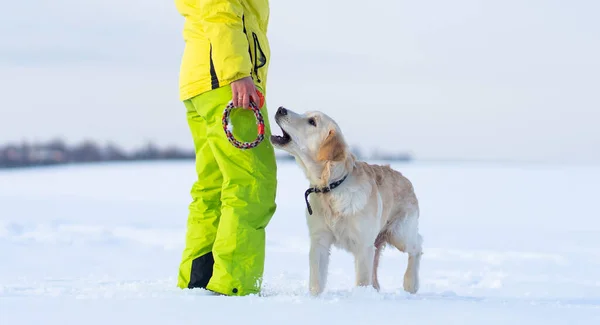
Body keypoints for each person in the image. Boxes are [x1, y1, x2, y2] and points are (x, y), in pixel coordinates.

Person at [173, 0, 277, 296]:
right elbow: (220, 7)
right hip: (224, 79)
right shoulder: (232, 73)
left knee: (215, 184)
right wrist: (237, 73)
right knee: (252, 182)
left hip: (200, 80)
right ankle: (234, 285)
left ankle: (199, 279)